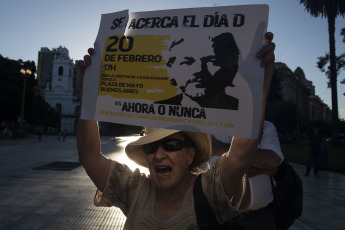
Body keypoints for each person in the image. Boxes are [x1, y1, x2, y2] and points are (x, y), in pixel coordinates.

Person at [77, 32, 275, 229]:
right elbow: (90, 157)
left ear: (191, 154)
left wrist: (258, 82)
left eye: (172, 145)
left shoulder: (210, 190)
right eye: (151, 147)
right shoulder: (133, 190)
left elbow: (240, 155)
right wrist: (88, 91)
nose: (159, 155)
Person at [209, 121, 283, 230]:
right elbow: (216, 173)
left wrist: (223, 148)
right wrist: (262, 166)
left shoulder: (264, 126)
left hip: (262, 217)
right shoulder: (212, 128)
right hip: (227, 220)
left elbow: (272, 160)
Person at [155, 32, 240, 110]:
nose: (199, 70)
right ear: (171, 69)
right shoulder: (158, 108)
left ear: (232, 67)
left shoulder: (243, 110)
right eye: (188, 62)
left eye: (210, 62)